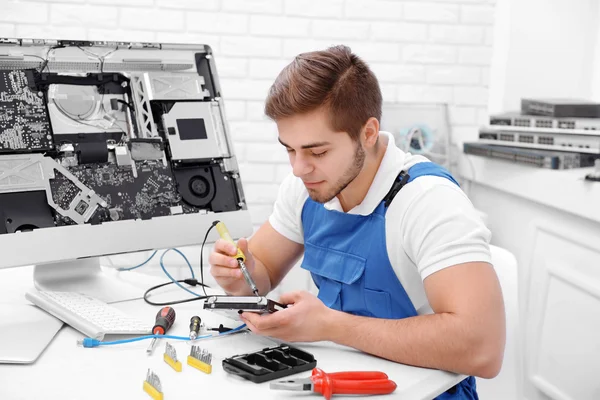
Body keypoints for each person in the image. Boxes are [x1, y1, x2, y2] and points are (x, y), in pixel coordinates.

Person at [209, 45, 505, 399]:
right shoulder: (305, 187)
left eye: (317, 152)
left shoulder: (428, 201)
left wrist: (329, 326)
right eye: (289, 149)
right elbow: (258, 278)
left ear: (368, 133)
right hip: (337, 383)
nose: (298, 168)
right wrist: (238, 272)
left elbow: (483, 350)